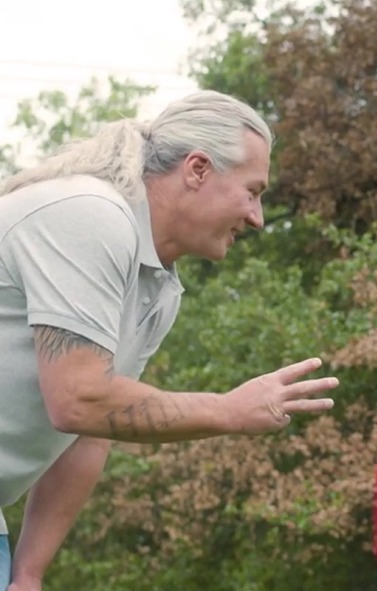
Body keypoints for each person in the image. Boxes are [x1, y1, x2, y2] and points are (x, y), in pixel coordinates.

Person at [0, 90, 339, 591]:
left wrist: (28, 573)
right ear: (198, 169)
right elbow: (78, 399)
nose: (257, 218)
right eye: (253, 191)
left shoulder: (159, 286)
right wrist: (228, 410)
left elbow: (92, 429)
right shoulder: (89, 215)